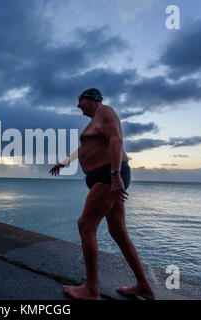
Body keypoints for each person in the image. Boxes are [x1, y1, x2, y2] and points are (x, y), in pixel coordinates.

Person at [50, 88, 154, 300]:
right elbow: (87, 148)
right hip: (106, 177)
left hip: (109, 176)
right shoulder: (95, 121)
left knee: (85, 225)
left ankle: (91, 289)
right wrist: (64, 162)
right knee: (118, 232)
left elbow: (115, 140)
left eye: (81, 101)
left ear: (92, 99)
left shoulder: (105, 111)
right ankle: (144, 286)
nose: (78, 106)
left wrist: (115, 176)